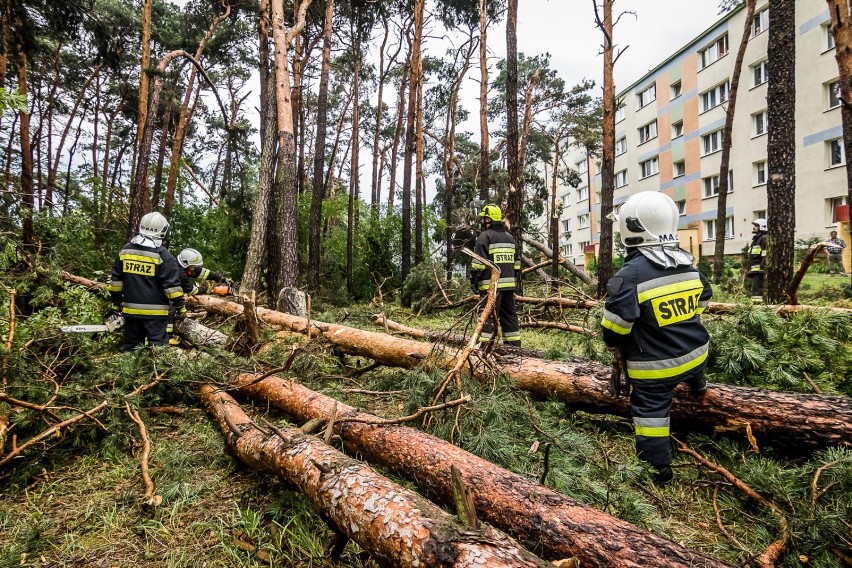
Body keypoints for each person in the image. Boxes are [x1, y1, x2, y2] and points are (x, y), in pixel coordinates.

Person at [601, 191, 712, 484]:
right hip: (698, 353)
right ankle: (698, 382)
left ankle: (657, 473)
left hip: (657, 369)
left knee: (650, 413)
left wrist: (616, 345)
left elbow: (614, 328)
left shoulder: (631, 275)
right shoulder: (686, 263)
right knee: (692, 358)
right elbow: (703, 301)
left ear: (632, 228)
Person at [108, 212, 186, 351]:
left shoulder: (125, 252)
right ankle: (157, 373)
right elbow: (171, 287)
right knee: (157, 349)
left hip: (131, 312)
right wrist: (181, 306)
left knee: (131, 347)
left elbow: (116, 283)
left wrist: (115, 303)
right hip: (155, 315)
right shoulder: (163, 256)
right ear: (162, 230)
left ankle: (130, 372)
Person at [470, 204, 522, 347]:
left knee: (487, 317)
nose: (483, 221)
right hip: (508, 287)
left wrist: (474, 280)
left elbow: (478, 264)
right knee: (509, 317)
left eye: (485, 218)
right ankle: (514, 349)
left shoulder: (485, 236)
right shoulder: (510, 238)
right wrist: (511, 276)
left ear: (491, 219)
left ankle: (484, 349)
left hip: (491, 287)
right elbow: (517, 264)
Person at [746, 218, 768, 302]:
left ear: (762, 226)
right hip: (754, 271)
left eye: (756, 226)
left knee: (757, 291)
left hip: (759, 271)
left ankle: (757, 308)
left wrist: (762, 268)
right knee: (754, 290)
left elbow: (765, 254)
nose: (754, 228)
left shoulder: (764, 238)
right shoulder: (756, 239)